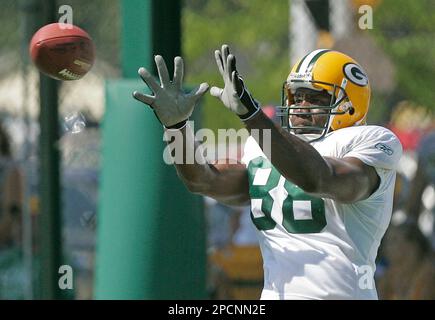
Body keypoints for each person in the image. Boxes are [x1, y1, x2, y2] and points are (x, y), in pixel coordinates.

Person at [133, 45, 402, 300]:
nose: (301, 106)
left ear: (350, 105)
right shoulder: (266, 144)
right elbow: (204, 181)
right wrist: (177, 128)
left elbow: (319, 177)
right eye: (296, 96)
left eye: (315, 97)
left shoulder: (372, 141)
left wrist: (252, 115)